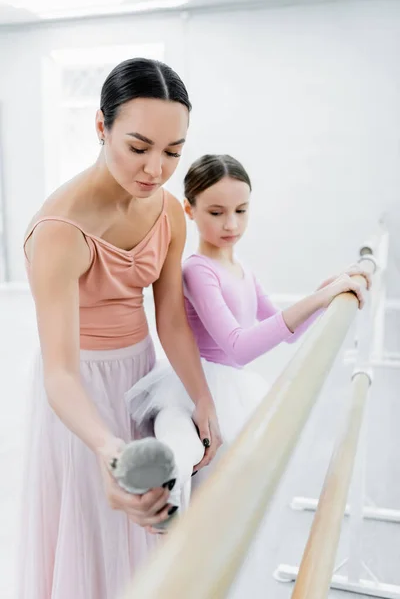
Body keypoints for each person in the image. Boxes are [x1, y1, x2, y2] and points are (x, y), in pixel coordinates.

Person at [18, 59, 222, 599]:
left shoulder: (170, 213)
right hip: (79, 399)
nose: (156, 168)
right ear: (101, 127)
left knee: (146, 529)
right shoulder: (60, 230)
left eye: (173, 152)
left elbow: (171, 319)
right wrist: (109, 449)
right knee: (92, 535)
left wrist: (202, 399)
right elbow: (59, 373)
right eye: (139, 147)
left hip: (138, 378)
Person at [125, 153, 371, 526]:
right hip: (201, 382)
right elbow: (238, 345)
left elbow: (284, 331)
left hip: (234, 388)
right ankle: (166, 493)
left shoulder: (241, 269)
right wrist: (318, 298)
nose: (231, 223)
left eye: (241, 211)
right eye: (217, 212)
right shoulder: (197, 270)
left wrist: (327, 292)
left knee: (222, 499)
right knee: (192, 460)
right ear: (190, 210)